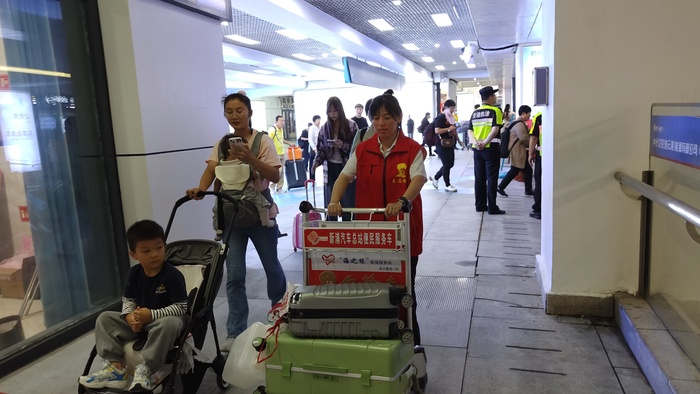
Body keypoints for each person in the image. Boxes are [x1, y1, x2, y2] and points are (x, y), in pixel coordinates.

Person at [328, 89, 426, 345]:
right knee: (372, 288)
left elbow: (418, 178)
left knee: (405, 290)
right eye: (376, 118)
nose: (381, 123)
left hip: (402, 231)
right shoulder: (363, 150)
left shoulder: (411, 149)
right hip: (371, 233)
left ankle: (411, 342)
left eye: (387, 118)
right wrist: (334, 201)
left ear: (398, 118)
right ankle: (378, 339)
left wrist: (403, 201)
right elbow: (344, 176)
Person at [186, 93, 286, 345]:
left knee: (272, 267)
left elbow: (274, 176)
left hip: (260, 215)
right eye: (229, 111)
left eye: (239, 110)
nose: (234, 115)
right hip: (230, 217)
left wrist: (249, 157)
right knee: (235, 275)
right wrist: (200, 189)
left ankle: (281, 318)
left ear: (249, 112)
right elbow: (211, 170)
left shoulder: (263, 141)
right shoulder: (222, 143)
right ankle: (235, 330)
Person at [78, 220, 187, 392]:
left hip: (162, 323)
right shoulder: (134, 273)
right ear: (133, 254)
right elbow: (128, 300)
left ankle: (146, 368)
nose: (154, 255)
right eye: (146, 251)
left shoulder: (172, 275)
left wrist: (151, 315)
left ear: (164, 246)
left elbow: (181, 307)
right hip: (140, 322)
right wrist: (129, 317)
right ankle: (116, 369)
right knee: (104, 318)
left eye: (159, 248)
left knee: (170, 323)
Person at [312, 97, 358, 220]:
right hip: (330, 168)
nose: (332, 114)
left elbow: (357, 150)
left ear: (340, 110)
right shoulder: (324, 128)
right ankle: (331, 232)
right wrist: (316, 162)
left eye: (335, 111)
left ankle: (349, 232)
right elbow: (321, 149)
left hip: (347, 169)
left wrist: (341, 145)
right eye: (330, 111)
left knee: (348, 205)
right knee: (330, 205)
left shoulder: (351, 126)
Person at [468, 86, 505, 215]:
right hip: (491, 149)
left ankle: (480, 205)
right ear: (490, 98)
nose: (495, 98)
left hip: (477, 150)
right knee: (491, 178)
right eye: (494, 96)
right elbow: (495, 129)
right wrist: (485, 143)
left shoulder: (475, 112)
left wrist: (476, 143)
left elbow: (470, 130)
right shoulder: (496, 111)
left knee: (479, 178)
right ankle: (492, 207)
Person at [498, 105, 534, 197]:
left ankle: (528, 190)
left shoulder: (518, 123)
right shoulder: (519, 124)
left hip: (519, 151)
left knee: (527, 170)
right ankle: (501, 187)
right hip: (518, 151)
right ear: (523, 113)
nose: (529, 116)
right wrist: (533, 143)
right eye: (529, 114)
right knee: (515, 170)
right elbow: (524, 138)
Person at [428, 100, 459, 192]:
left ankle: (435, 177)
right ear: (446, 108)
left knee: (450, 164)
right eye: (451, 108)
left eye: (454, 108)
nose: (453, 110)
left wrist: (459, 140)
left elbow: (453, 130)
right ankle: (447, 184)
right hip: (441, 143)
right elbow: (437, 131)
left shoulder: (451, 118)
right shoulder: (440, 117)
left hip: (450, 142)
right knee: (446, 164)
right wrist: (449, 129)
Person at [268, 115, 293, 193]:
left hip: (282, 153)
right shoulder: (272, 130)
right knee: (277, 171)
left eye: (284, 121)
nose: (283, 122)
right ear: (276, 122)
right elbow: (268, 141)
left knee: (282, 172)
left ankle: (279, 188)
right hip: (275, 154)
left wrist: (289, 143)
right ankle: (272, 187)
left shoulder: (281, 130)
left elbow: (281, 140)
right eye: (281, 121)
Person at [529, 111, 543, 219]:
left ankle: (538, 209)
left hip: (543, 156)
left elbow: (534, 138)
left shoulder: (539, 115)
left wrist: (530, 153)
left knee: (540, 182)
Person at [308, 115, 321, 181]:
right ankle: (312, 178)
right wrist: (314, 148)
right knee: (312, 163)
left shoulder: (320, 128)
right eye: (318, 120)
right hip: (314, 148)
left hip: (320, 147)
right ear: (314, 121)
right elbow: (310, 139)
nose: (319, 121)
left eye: (319, 119)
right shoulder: (312, 128)